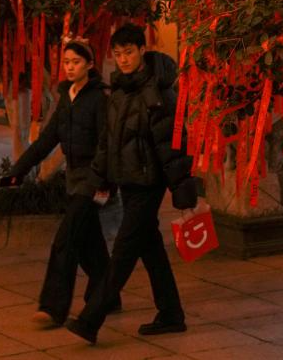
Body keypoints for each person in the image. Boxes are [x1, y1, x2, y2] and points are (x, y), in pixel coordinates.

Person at [66, 23, 198, 345]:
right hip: (128, 180)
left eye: (129, 52)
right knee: (150, 249)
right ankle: (171, 314)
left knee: (123, 251)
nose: (123, 59)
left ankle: (90, 319)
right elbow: (108, 142)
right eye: (119, 54)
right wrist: (96, 181)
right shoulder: (120, 91)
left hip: (148, 183)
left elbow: (172, 144)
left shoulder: (158, 92)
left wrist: (183, 191)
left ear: (142, 49)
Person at [1, 39, 118, 327]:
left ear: (90, 65)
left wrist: (100, 182)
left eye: (76, 62)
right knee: (90, 244)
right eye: (66, 62)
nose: (69, 67)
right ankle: (109, 294)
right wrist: (19, 170)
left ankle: (52, 308)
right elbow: (46, 140)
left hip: (95, 181)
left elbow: (107, 144)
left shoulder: (100, 99)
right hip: (74, 178)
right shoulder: (66, 97)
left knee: (65, 241)